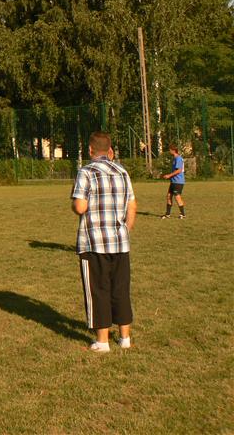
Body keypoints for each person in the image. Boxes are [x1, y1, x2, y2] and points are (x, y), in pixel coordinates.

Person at [71, 131, 137, 353]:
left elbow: (80, 206)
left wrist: (75, 205)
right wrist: (125, 230)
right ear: (109, 150)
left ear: (90, 150)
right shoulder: (122, 171)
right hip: (120, 242)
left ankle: (102, 341)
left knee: (98, 290)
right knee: (120, 289)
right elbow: (132, 205)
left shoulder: (86, 172)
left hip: (94, 242)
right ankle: (125, 337)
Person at [161, 144, 186, 219]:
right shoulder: (175, 158)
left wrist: (169, 175)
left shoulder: (178, 158)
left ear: (173, 150)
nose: (169, 151)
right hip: (173, 181)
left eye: (170, 150)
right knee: (169, 196)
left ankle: (183, 214)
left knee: (177, 197)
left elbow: (179, 170)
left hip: (178, 181)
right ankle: (167, 214)